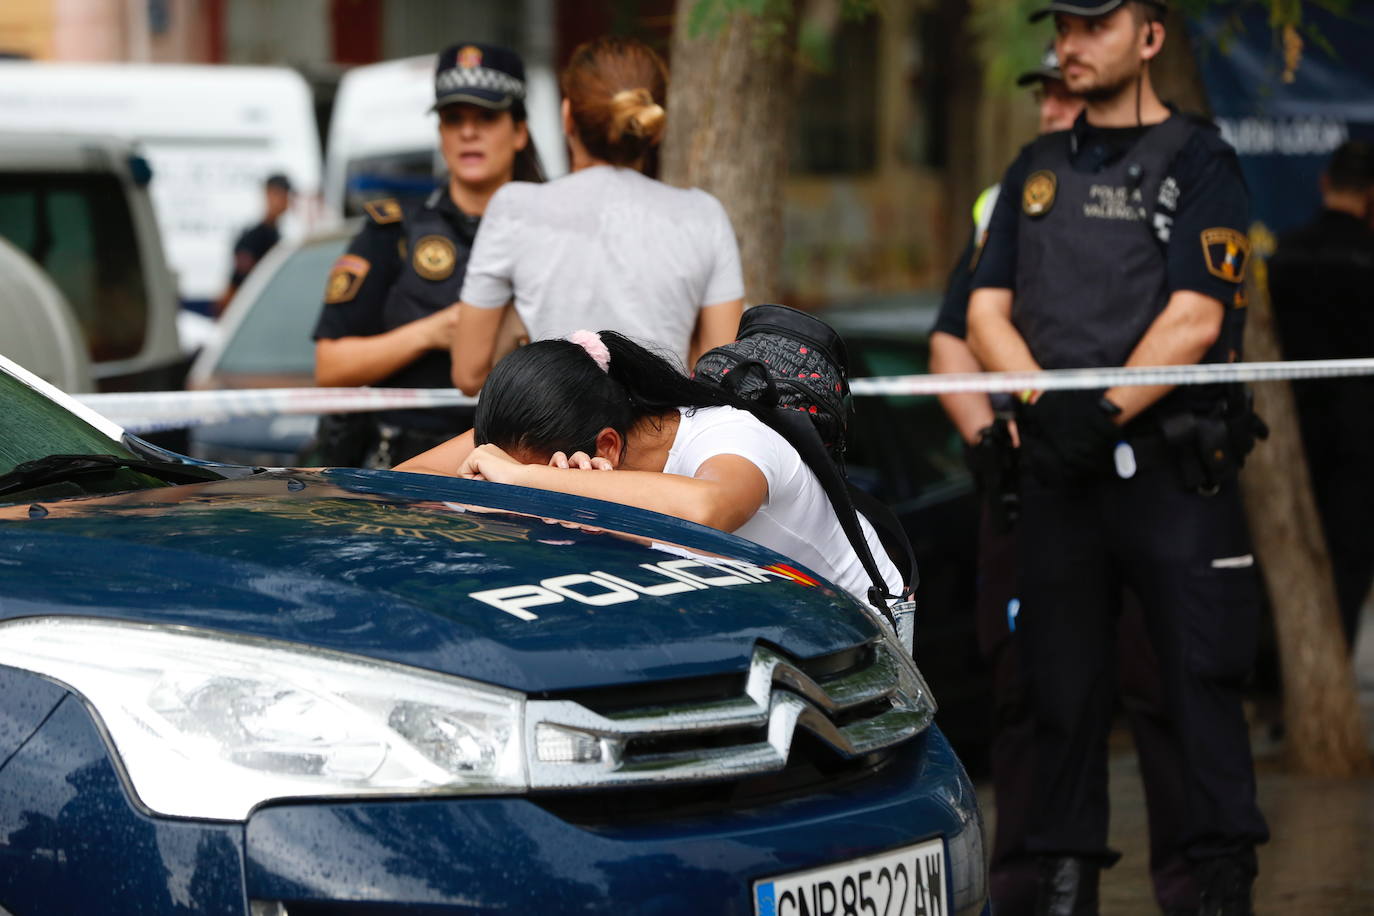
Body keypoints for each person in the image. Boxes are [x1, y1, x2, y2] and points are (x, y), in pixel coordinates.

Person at [965, 0, 1269, 912]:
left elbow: (1196, 315)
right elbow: (986, 313)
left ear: (1150, 37)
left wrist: (1100, 407)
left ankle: (1214, 888)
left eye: (1096, 24)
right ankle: (1058, 888)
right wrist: (1042, 406)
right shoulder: (1033, 168)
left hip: (1172, 473)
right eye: (1064, 24)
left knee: (1195, 687)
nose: (1072, 42)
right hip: (1061, 471)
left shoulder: (1202, 160)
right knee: (1056, 694)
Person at [933, 46, 1197, 916]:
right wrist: (993, 444)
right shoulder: (1009, 199)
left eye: (1062, 91)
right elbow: (953, 341)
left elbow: (1193, 319)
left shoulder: (1165, 179)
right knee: (1031, 698)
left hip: (1138, 478)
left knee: (1165, 691)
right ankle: (1029, 896)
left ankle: (1193, 890)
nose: (1054, 107)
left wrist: (1103, 418)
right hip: (1037, 484)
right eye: (1043, 94)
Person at [400, 330, 900, 605]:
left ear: (609, 446)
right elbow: (400, 486)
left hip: (856, 631)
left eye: (540, 481)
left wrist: (531, 482)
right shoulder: (539, 436)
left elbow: (707, 510)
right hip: (762, 616)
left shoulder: (729, 438)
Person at [449, 36, 744, 394]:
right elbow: (718, 372)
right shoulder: (703, 215)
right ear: (654, 126)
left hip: (549, 439)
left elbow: (468, 374)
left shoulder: (514, 208)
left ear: (567, 115)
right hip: (664, 441)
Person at [308, 42, 544, 468]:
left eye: (487, 117)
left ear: (520, 131)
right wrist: (430, 333)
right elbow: (329, 366)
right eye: (453, 119)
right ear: (440, 133)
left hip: (527, 464)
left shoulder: (554, 230)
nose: (468, 132)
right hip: (409, 467)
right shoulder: (393, 229)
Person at [1267, 140, 1374, 649]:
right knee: (1349, 561)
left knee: (1288, 554)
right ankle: (1332, 663)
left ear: (1325, 184)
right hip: (1359, 441)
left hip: (1291, 432)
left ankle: (1277, 684)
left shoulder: (1284, 252)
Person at [217, 173, 292, 315]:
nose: (283, 200)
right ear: (267, 194)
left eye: (285, 195)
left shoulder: (277, 236)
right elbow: (238, 286)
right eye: (278, 194)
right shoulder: (252, 239)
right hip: (250, 311)